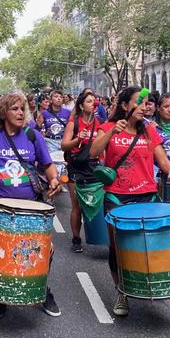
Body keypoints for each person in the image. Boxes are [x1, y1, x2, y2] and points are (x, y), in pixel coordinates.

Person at [0, 92, 61, 320]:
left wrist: (54, 179)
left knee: (46, 249)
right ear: (3, 112)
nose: (20, 113)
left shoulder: (31, 135)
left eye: (22, 109)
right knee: (4, 250)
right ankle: (0, 298)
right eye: (15, 109)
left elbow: (47, 163)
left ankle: (41, 289)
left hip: (30, 202)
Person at [89, 86, 170, 317]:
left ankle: (145, 285)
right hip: (116, 196)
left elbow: (163, 160)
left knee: (146, 246)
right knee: (117, 248)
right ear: (125, 106)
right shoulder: (109, 127)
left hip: (146, 195)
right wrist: (111, 133)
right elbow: (93, 152)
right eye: (140, 102)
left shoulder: (149, 131)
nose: (145, 106)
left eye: (148, 102)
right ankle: (122, 293)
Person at [61, 91, 101, 253]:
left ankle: (97, 234)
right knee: (76, 205)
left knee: (94, 203)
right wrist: (78, 139)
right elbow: (64, 145)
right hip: (76, 167)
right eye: (89, 101)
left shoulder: (99, 124)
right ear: (81, 105)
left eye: (94, 101)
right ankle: (76, 238)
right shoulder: (73, 123)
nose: (93, 103)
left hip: (93, 168)